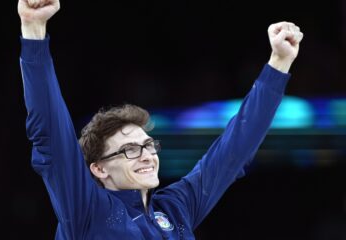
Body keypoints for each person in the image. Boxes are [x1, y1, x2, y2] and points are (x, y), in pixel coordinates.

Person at [18, 0, 303, 239]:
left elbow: (233, 150)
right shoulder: (86, 210)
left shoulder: (176, 207)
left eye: (149, 145)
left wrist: (279, 63)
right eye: (130, 149)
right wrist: (33, 30)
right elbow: (51, 137)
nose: (147, 156)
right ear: (99, 169)